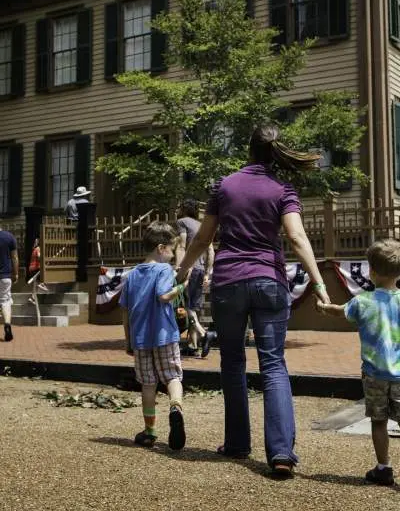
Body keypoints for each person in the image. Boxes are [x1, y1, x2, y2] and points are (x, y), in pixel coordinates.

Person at [176, 125, 330, 478]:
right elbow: (296, 236)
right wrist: (318, 283)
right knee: (273, 364)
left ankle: (237, 443)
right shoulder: (283, 190)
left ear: (248, 150)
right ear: (276, 152)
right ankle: (280, 454)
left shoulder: (224, 186)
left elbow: (202, 239)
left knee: (232, 362)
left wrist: (183, 271)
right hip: (269, 282)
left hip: (229, 283)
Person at [316, 239, 400, 487]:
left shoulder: (362, 302)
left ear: (371, 272)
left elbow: (339, 311)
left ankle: (383, 467)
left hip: (374, 374)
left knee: (379, 421)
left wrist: (323, 306)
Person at [119, 221, 188, 450]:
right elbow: (163, 296)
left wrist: (128, 341)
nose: (171, 255)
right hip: (165, 335)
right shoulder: (164, 270)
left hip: (140, 339)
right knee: (172, 376)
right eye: (171, 249)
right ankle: (175, 407)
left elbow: (125, 313)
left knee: (148, 384)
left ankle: (149, 431)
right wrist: (182, 286)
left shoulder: (131, 276)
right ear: (161, 248)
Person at [176, 198, 216, 358]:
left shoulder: (182, 222)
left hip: (189, 268)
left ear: (183, 209)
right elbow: (211, 251)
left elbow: (181, 246)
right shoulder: (202, 226)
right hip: (200, 270)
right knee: (194, 307)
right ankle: (193, 346)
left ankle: (204, 334)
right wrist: (207, 273)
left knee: (184, 305)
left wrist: (179, 269)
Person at [0, 228, 19, 342]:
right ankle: (7, 325)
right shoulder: (9, 237)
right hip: (5, 276)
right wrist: (16, 273)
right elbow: (15, 257)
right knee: (5, 301)